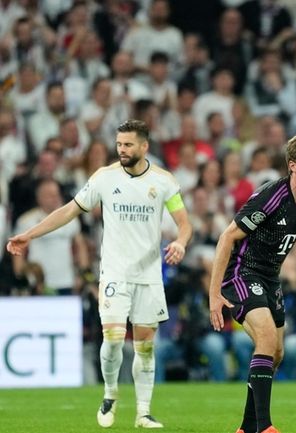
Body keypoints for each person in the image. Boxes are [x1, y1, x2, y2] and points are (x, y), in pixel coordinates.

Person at [6, 119, 192, 429]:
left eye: (128, 144)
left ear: (144, 146)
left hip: (148, 274)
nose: (122, 149)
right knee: (115, 339)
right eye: (119, 144)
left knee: (145, 346)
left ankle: (143, 413)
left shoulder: (163, 181)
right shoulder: (104, 178)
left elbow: (184, 222)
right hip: (114, 272)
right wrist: (30, 234)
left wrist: (181, 242)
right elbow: (68, 210)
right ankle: (110, 394)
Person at [208, 132, 296, 433]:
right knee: (266, 340)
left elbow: (284, 240)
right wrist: (214, 295)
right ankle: (265, 428)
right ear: (293, 165)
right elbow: (227, 237)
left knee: (276, 354)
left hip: (270, 279)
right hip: (241, 272)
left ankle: (246, 428)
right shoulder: (271, 196)